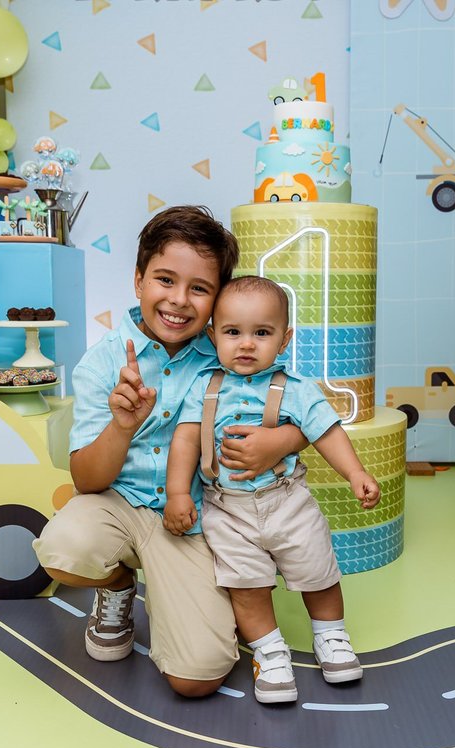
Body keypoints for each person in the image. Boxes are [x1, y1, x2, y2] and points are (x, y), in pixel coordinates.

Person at [33, 207, 307, 698]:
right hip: (115, 503)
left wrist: (284, 440)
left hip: (192, 518)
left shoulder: (232, 352)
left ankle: (166, 588)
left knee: (197, 678)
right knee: (64, 546)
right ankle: (116, 586)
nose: (179, 300)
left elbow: (304, 409)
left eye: (199, 288)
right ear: (138, 280)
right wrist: (122, 426)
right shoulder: (104, 361)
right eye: (165, 279)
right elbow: (86, 481)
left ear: (217, 297)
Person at [163, 276, 381, 704]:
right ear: (213, 335)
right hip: (227, 509)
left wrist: (355, 473)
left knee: (317, 569)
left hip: (287, 499)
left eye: (261, 333)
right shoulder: (205, 387)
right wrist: (178, 494)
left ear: (284, 339)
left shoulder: (296, 389)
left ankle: (331, 636)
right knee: (246, 586)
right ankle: (269, 650)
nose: (246, 344)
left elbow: (326, 432)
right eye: (233, 332)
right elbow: (186, 440)